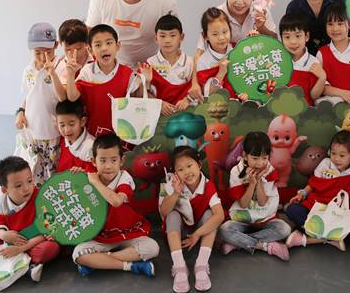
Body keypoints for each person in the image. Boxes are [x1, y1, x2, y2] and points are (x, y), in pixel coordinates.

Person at [72, 134, 159, 276]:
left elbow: (117, 201)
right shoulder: (89, 178)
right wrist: (76, 178)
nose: (108, 166)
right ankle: (130, 266)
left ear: (121, 161)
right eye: (102, 160)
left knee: (152, 247)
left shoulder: (125, 178)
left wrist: (95, 182)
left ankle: (100, 261)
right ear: (94, 161)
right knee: (78, 254)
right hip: (102, 237)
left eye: (113, 160)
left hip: (128, 233)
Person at [65, 24, 151, 139]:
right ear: (90, 50)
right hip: (93, 134)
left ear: (118, 46)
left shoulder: (127, 72)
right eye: (98, 45)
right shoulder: (87, 72)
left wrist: (146, 81)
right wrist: (70, 74)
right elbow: (72, 97)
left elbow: (137, 98)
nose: (104, 48)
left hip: (121, 135)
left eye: (109, 43)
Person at [159, 146, 225, 292]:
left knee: (210, 214)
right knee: (172, 215)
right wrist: (176, 193)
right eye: (180, 169)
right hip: (179, 233)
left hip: (199, 232)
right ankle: (179, 266)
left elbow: (220, 215)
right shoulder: (171, 185)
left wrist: (197, 234)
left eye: (189, 166)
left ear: (199, 165)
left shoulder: (207, 185)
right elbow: (163, 212)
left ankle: (201, 264)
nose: (187, 172)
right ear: (175, 173)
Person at [219, 132, 291, 260]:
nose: (260, 163)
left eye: (264, 158)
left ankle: (239, 243)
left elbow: (263, 202)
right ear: (245, 156)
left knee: (284, 229)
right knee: (224, 229)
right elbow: (243, 204)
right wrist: (251, 184)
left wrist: (259, 182)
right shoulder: (236, 172)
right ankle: (265, 246)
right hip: (242, 221)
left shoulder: (269, 170)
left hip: (265, 220)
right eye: (255, 158)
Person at [0, 157, 60, 282]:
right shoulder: (1, 202)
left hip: (33, 241)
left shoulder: (40, 198)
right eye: (18, 185)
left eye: (29, 181)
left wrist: (20, 249)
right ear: (5, 190)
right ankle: (23, 262)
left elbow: (47, 230)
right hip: (13, 238)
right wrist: (3, 234)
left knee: (50, 249)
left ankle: (20, 262)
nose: (26, 188)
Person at [285, 130, 350, 251]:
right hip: (315, 206)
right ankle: (329, 238)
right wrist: (303, 193)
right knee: (292, 209)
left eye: (342, 155)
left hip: (335, 212)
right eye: (333, 153)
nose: (336, 159)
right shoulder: (325, 163)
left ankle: (307, 239)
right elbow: (313, 183)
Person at [15, 22, 64, 185]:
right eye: (37, 53)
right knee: (34, 169)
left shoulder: (60, 66)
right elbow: (29, 96)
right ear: (30, 49)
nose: (43, 58)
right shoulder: (28, 70)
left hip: (53, 131)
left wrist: (52, 73)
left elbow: (63, 97)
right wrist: (21, 112)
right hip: (32, 130)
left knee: (54, 172)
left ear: (56, 45)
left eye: (48, 52)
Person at [316, 3, 350, 104]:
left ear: (349, 24)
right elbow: (319, 86)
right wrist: (341, 93)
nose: (335, 29)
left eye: (340, 23)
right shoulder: (322, 53)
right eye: (330, 24)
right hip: (329, 102)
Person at [195, 8, 246, 100]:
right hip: (220, 106)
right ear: (205, 36)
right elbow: (208, 95)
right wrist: (221, 73)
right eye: (215, 34)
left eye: (225, 32)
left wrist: (253, 39)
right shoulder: (203, 62)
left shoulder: (238, 49)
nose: (221, 37)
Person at [147, 14, 193, 117]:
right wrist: (159, 104)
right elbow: (142, 93)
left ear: (181, 37)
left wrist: (187, 100)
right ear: (155, 37)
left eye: (172, 35)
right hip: (157, 117)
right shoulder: (149, 63)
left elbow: (197, 89)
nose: (167, 40)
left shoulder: (191, 63)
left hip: (185, 116)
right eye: (162, 36)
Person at [279, 13, 326, 105]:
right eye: (287, 37)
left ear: (306, 36)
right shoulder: (278, 60)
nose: (293, 42)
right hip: (280, 108)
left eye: (298, 36)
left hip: (305, 110)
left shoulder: (313, 62)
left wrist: (322, 78)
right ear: (281, 38)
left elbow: (313, 96)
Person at [55, 99, 95, 173]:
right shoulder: (61, 139)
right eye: (62, 125)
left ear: (82, 121)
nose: (67, 130)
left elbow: (95, 174)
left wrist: (84, 172)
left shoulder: (91, 147)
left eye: (71, 124)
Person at [55, 19, 93, 86]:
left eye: (78, 49)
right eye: (68, 50)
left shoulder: (97, 61)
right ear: (61, 44)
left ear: (87, 43)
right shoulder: (59, 66)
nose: (73, 54)